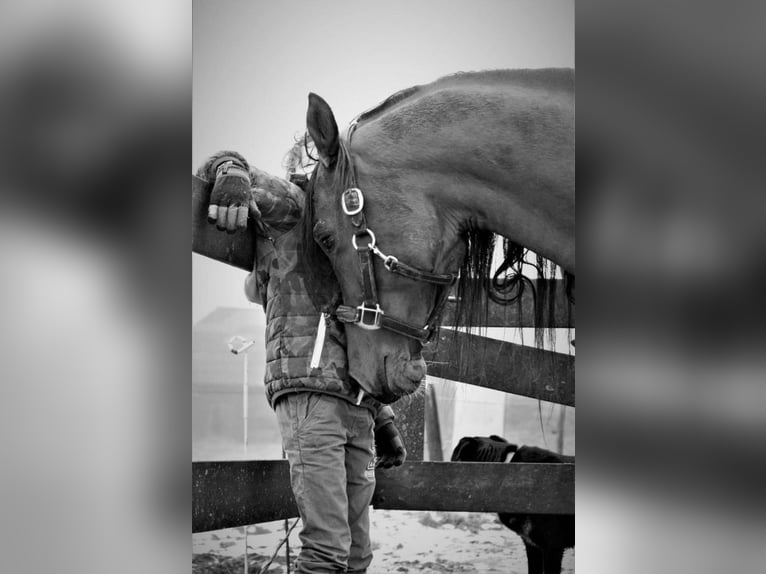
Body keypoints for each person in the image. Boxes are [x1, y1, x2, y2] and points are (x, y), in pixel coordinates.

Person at [196, 149, 406, 574]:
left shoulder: (356, 240)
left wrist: (381, 417)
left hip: (357, 405)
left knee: (357, 553)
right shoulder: (294, 208)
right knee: (327, 549)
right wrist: (231, 172)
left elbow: (356, 343)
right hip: (311, 398)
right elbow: (230, 163)